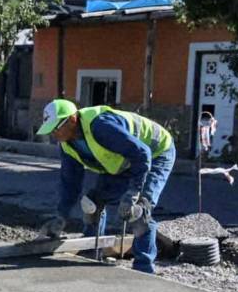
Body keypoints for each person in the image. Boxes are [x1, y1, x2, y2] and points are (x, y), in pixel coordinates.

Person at [37, 98, 176, 274]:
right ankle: (90, 253)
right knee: (92, 204)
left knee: (139, 209)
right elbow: (70, 183)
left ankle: (143, 269)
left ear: (72, 119)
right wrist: (61, 216)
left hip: (156, 153)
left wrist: (133, 193)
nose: (53, 134)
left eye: (56, 128)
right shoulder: (67, 145)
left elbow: (142, 154)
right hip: (123, 161)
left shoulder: (100, 126)